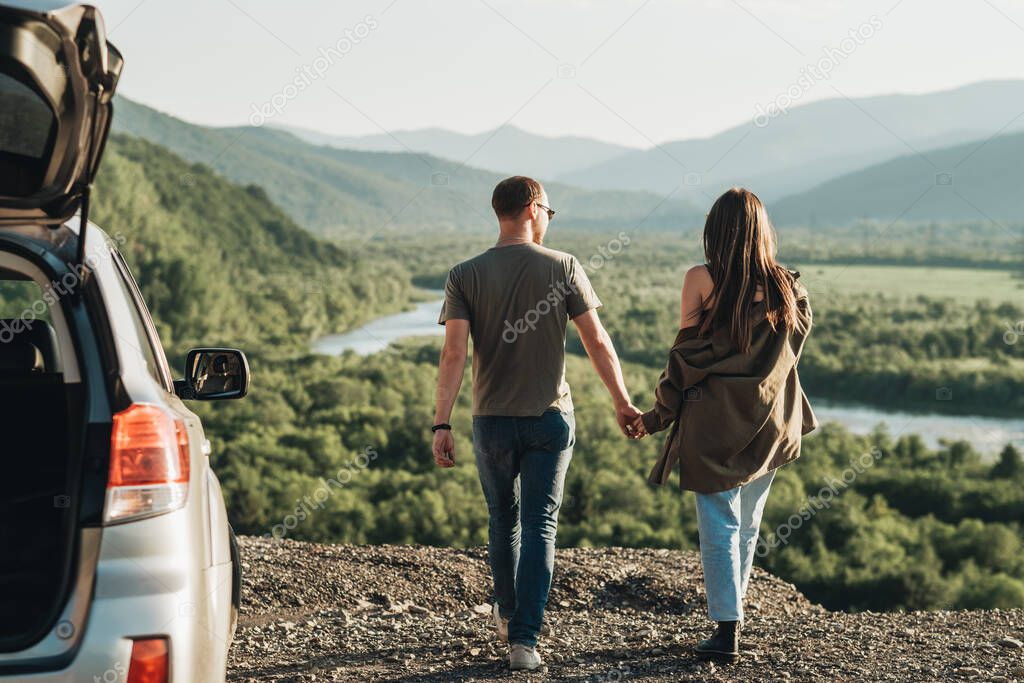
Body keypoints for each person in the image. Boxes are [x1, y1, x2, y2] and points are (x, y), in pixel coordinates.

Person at [432, 176, 642, 672]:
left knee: (503, 521)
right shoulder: (565, 266)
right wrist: (622, 402)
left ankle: (507, 617)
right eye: (549, 209)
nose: (550, 217)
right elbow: (597, 341)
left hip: (491, 423)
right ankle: (524, 641)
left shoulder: (465, 274)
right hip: (549, 418)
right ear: (532, 209)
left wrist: (441, 423)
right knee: (540, 525)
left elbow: (454, 354)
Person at [631, 187, 818, 663]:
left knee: (719, 525)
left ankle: (726, 629)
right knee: (749, 523)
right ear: (762, 231)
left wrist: (656, 417)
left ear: (715, 231)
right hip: (772, 421)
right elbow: (789, 356)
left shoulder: (701, 279)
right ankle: (732, 619)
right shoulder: (789, 288)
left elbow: (687, 359)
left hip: (714, 423)